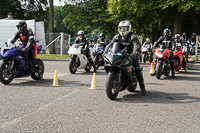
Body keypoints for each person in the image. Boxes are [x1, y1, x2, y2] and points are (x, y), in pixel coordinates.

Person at [104, 20, 146, 96]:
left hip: (131, 54)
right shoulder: (117, 36)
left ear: (129, 28)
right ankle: (115, 79)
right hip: (120, 53)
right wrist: (105, 50)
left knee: (137, 69)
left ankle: (143, 88)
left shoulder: (132, 36)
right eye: (121, 28)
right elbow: (110, 44)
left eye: (124, 28)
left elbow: (136, 44)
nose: (123, 30)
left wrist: (135, 52)